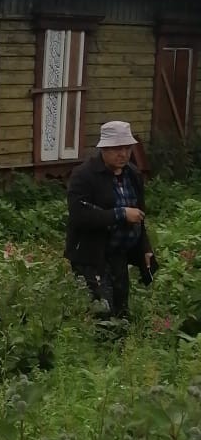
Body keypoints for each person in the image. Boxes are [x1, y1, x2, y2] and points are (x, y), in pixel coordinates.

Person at [65, 120, 157, 319]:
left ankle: (121, 337)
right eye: (117, 148)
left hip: (119, 254)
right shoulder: (84, 175)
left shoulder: (133, 174)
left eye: (127, 148)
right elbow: (79, 215)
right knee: (100, 311)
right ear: (104, 148)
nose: (123, 154)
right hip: (91, 254)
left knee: (121, 309)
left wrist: (145, 247)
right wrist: (120, 214)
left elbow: (139, 215)